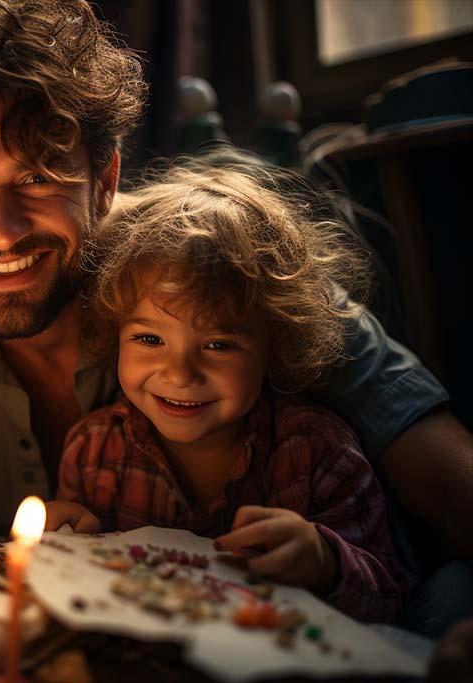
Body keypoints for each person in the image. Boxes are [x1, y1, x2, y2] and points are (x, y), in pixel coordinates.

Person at [0, 0, 472, 563]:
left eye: (39, 178)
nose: (0, 230)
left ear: (105, 180)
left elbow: (442, 471)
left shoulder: (214, 261)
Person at [45, 154, 408, 623]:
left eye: (218, 344)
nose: (179, 373)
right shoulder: (92, 453)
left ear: (276, 345)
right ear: (115, 331)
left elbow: (392, 606)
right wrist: (71, 538)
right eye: (150, 338)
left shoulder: (317, 455)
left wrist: (324, 563)